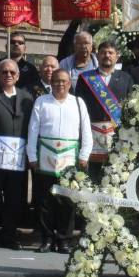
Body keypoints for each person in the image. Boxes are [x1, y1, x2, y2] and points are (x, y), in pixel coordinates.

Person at [27, 68, 93, 254]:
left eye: (63, 81)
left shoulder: (78, 103)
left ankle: (64, 240)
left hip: (70, 159)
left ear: (69, 83)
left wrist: (84, 155)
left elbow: (86, 131)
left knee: (67, 202)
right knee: (45, 201)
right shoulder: (41, 101)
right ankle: (47, 239)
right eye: (56, 81)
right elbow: (33, 130)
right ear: (51, 82)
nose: (60, 84)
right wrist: (32, 156)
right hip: (45, 157)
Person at [0, 59, 35, 250]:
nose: (8, 75)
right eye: (4, 72)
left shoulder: (27, 98)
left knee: (14, 199)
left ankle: (9, 236)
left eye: (12, 72)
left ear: (18, 76)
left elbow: (31, 128)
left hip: (18, 159)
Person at [74, 40, 133, 179]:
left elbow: (130, 108)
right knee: (93, 175)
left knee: (115, 174)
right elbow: (79, 107)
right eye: (103, 52)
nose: (107, 55)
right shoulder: (86, 78)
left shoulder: (126, 78)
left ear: (117, 56)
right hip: (92, 134)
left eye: (111, 53)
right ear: (97, 55)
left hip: (117, 134)